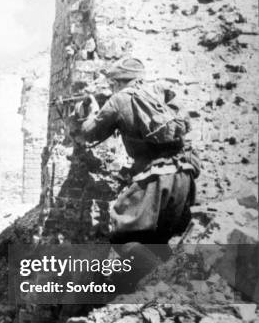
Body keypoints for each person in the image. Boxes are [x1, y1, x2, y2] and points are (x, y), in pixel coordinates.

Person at [71, 58, 200, 287]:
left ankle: (161, 282)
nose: (112, 88)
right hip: (185, 174)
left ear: (118, 82)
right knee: (158, 240)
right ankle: (173, 283)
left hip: (155, 178)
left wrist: (89, 112)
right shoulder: (159, 91)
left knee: (124, 237)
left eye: (113, 84)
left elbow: (88, 135)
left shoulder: (120, 99)